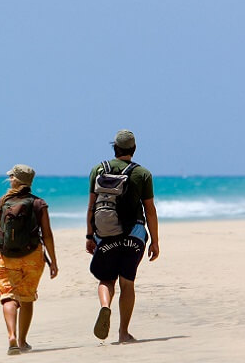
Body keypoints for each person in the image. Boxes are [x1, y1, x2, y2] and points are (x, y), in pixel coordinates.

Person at [85, 129, 159, 343]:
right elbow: (150, 210)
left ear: (114, 147)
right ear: (134, 149)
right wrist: (154, 241)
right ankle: (123, 333)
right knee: (127, 283)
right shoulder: (142, 173)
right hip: (133, 235)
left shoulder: (98, 169)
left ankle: (105, 307)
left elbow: (91, 207)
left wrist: (90, 236)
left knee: (106, 279)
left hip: (105, 233)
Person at [0, 164, 59, 355]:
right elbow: (47, 235)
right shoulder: (38, 203)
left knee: (8, 297)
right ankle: (22, 341)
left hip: (7, 257)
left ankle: (11, 335)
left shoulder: (2, 202)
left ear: (15, 180)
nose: (10, 179)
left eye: (11, 177)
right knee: (27, 298)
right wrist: (53, 260)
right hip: (33, 257)